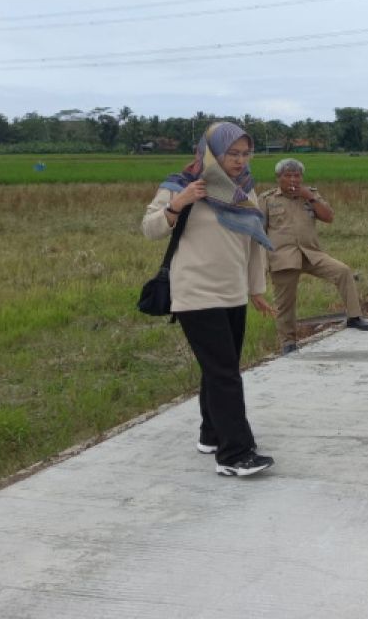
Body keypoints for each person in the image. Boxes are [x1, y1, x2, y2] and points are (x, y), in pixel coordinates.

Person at [141, 121, 276, 478]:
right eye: (233, 153)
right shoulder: (182, 185)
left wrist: (256, 289)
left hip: (232, 293)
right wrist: (179, 205)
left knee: (219, 369)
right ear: (212, 151)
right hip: (196, 293)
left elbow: (252, 243)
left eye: (246, 154)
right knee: (225, 374)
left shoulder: (246, 190)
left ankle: (212, 434)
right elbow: (149, 228)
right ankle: (235, 454)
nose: (240, 161)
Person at [259, 158, 368, 354]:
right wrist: (262, 264)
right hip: (283, 257)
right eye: (288, 176)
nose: (293, 180)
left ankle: (354, 317)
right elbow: (259, 233)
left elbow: (328, 217)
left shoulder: (310, 194)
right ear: (279, 178)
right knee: (285, 302)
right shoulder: (267, 199)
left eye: (297, 176)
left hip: (311, 253)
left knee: (343, 271)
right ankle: (288, 342)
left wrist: (310, 197)